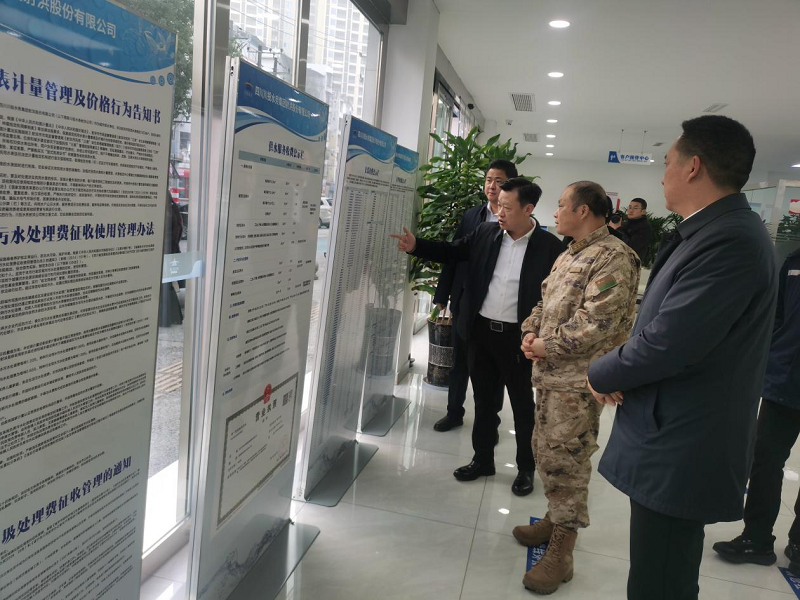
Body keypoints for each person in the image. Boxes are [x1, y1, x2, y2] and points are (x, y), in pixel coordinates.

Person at [586, 115, 778, 600]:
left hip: (684, 440)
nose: (662, 175)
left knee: (661, 580)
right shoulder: (711, 231)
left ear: (693, 167)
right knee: (656, 571)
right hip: (672, 429)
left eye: (667, 162)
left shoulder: (730, 239)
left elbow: (669, 342)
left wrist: (601, 371)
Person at [392, 178, 563, 496]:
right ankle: (482, 460)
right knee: (484, 402)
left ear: (528, 209)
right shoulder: (486, 233)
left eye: (507, 207)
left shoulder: (551, 248)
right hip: (481, 333)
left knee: (523, 406)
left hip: (519, 340)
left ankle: (525, 468)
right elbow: (452, 252)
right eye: (498, 206)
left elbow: (556, 299)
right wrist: (417, 246)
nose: (500, 212)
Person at [513, 181, 640, 594]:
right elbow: (544, 301)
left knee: (567, 459)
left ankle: (562, 550)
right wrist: (530, 332)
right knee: (547, 451)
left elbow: (598, 321)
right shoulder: (571, 253)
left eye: (561, 204)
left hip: (579, 383)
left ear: (583, 210)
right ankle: (555, 518)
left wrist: (545, 345)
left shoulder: (613, 257)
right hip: (551, 375)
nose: (555, 212)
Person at [713, 247, 800, 572]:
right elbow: (777, 313)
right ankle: (757, 537)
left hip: (785, 376)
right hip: (785, 380)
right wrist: (775, 352)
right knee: (765, 460)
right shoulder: (795, 262)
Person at [431, 159, 517, 433]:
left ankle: (491, 420)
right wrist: (443, 293)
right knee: (459, 363)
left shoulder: (516, 219)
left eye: (499, 181)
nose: (492, 186)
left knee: (494, 368)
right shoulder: (472, 216)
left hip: (496, 306)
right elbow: (454, 254)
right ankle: (454, 412)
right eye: (489, 180)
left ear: (511, 186)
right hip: (466, 300)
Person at [619, 197, 651, 262]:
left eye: (635, 208)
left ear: (643, 212)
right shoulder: (626, 223)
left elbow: (630, 247)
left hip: (631, 263)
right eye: (630, 207)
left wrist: (618, 229)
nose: (631, 211)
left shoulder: (644, 227)